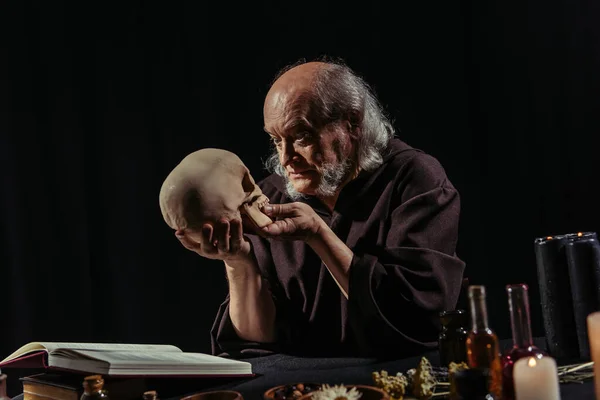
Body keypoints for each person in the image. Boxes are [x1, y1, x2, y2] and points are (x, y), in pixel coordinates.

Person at [174, 58, 466, 359]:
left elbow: (417, 318)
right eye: (276, 140)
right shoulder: (272, 195)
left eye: (301, 136)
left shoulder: (414, 180)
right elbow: (258, 340)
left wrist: (318, 234)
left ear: (352, 123)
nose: (286, 158)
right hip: (300, 385)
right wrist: (239, 262)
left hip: (394, 373)